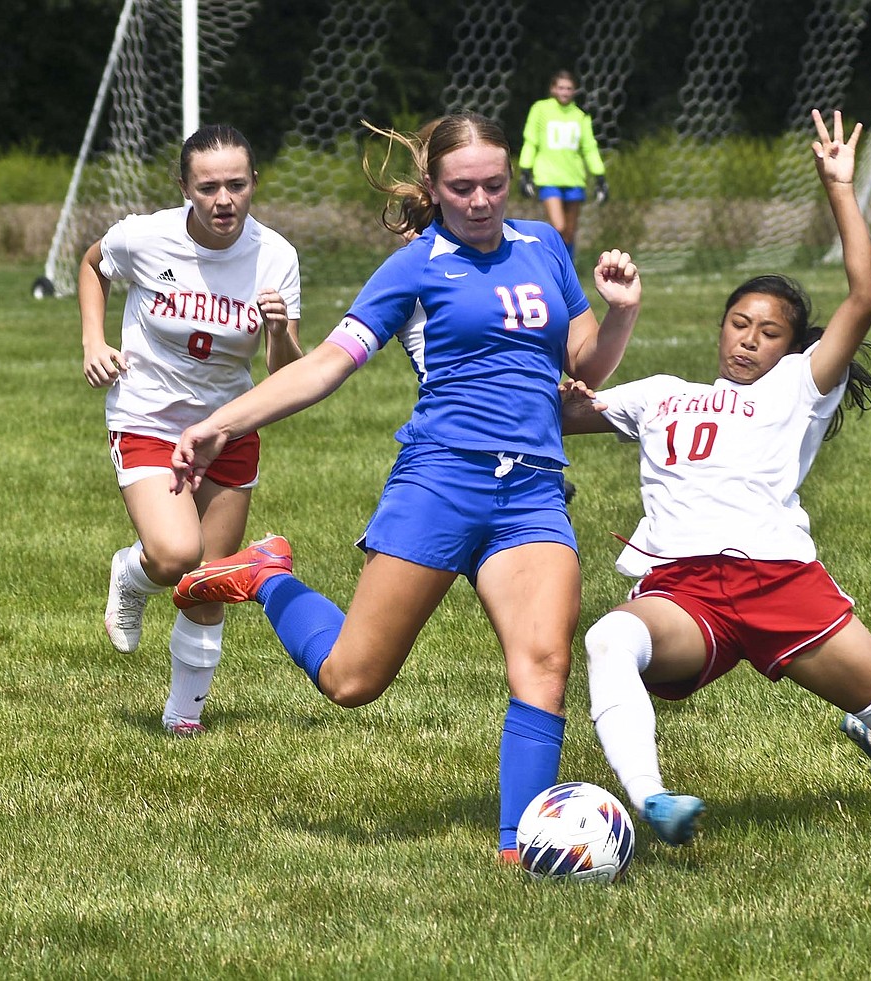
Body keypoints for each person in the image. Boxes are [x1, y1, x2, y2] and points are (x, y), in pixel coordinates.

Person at [166, 112, 642, 862]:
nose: (481, 200)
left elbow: (583, 364)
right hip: (439, 484)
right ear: (433, 187)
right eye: (462, 188)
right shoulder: (417, 266)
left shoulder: (546, 246)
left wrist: (620, 313)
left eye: (494, 184)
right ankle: (265, 575)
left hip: (531, 492)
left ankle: (518, 848)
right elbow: (325, 365)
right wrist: (222, 421)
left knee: (544, 664)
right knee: (353, 679)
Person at [561, 110, 871, 847]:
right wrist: (567, 391)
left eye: (768, 332)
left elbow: (865, 296)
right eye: (739, 322)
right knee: (609, 637)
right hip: (684, 588)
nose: (749, 339)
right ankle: (653, 799)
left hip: (781, 583)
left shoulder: (800, 384)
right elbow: (558, 417)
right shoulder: (658, 391)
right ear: (722, 324)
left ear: (794, 346)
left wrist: (839, 186)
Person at [78, 123, 302, 737]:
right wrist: (94, 339)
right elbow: (94, 263)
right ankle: (132, 574)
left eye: (236, 184)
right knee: (177, 555)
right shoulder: (146, 236)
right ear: (185, 188)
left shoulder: (276, 256)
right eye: (208, 187)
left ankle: (184, 719)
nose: (224, 199)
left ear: (254, 183)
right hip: (147, 415)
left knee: (212, 578)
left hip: (228, 425)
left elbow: (287, 375)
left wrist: (279, 332)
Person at [518, 69, 609, 263]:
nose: (565, 92)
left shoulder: (580, 115)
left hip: (574, 178)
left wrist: (600, 176)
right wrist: (525, 170)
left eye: (569, 88)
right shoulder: (541, 110)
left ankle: (568, 271)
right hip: (549, 177)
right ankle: (552, 264)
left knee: (569, 232)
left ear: (574, 91)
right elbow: (531, 140)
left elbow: (589, 148)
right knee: (557, 227)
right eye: (561, 88)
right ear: (553, 89)